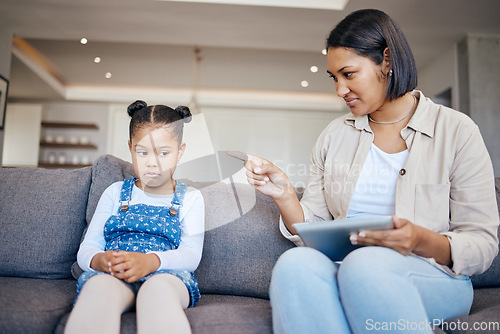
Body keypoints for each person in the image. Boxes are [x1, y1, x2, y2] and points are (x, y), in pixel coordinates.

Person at [229, 9, 499, 334]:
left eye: (349, 74)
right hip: (345, 266)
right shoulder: (334, 135)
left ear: (386, 60)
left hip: (431, 275)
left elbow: (482, 244)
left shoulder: (456, 130)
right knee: (295, 264)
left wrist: (419, 239)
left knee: (365, 264)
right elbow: (312, 233)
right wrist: (285, 193)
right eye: (334, 78)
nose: (340, 89)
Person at [65, 100, 205, 334]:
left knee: (157, 292)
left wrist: (151, 261)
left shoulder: (191, 198)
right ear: (130, 148)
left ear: (180, 152)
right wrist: (101, 261)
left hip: (166, 276)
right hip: (115, 275)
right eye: (142, 152)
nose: (152, 162)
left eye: (164, 152)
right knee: (97, 288)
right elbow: (88, 247)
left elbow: (191, 255)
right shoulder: (115, 192)